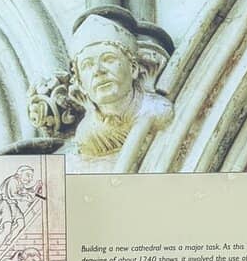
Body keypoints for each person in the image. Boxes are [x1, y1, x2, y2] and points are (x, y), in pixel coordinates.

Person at [64, 9, 173, 172]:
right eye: (87, 65)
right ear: (80, 84)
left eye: (108, 59)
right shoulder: (87, 133)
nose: (98, 71)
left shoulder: (155, 109)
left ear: (133, 68)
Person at [0, 165, 42, 254]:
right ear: (19, 174)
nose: (30, 179)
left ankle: (9, 241)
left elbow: (26, 191)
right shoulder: (13, 180)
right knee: (7, 228)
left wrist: (36, 186)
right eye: (28, 175)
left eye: (31, 177)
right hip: (4, 202)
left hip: (12, 204)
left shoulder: (20, 183)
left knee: (21, 224)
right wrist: (26, 198)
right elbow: (12, 195)